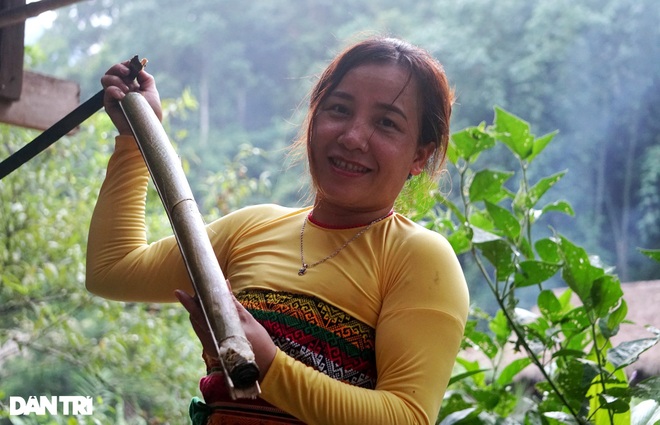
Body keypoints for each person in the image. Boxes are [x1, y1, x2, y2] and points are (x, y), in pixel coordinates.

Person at [86, 36, 469, 425]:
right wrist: (136, 138)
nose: (353, 137)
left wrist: (269, 366)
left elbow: (407, 417)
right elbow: (113, 270)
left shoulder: (418, 258)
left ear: (419, 155)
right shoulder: (251, 229)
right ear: (314, 118)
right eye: (339, 109)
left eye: (386, 123)